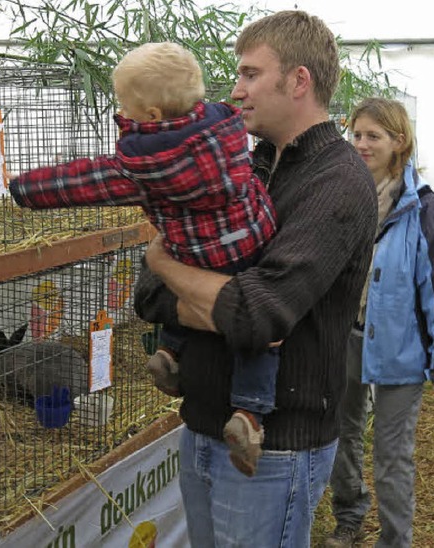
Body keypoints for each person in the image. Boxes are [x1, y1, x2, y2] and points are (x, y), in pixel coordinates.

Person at [133, 10, 378, 547]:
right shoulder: (249, 167)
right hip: (202, 426)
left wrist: (166, 266)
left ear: (298, 81)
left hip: (274, 450)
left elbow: (257, 313)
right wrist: (207, 301)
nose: (235, 89)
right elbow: (146, 299)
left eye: (249, 74)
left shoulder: (337, 181)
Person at [8, 41, 280, 475]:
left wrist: (22, 188)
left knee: (203, 298)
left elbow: (86, 182)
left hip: (191, 251)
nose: (123, 114)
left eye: (125, 107)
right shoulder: (226, 133)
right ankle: (247, 412)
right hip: (249, 243)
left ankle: (188, 366)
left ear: (151, 116)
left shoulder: (147, 166)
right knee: (250, 329)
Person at [324, 98, 434, 548]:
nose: (361, 144)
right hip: (348, 338)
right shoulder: (344, 198)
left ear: (399, 142)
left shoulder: (424, 210)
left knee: (392, 454)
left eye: (373, 136)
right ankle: (349, 516)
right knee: (343, 432)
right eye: (356, 134)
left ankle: (396, 540)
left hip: (403, 348)